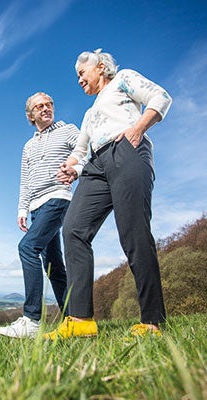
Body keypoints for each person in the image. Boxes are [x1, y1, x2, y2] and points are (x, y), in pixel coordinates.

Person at [43, 49, 172, 340]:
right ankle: (80, 321)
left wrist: (138, 128)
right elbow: (80, 150)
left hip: (127, 149)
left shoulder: (123, 79)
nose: (79, 80)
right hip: (97, 164)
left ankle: (152, 322)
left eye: (81, 73)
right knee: (73, 230)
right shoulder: (89, 113)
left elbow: (160, 96)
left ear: (100, 67)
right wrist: (72, 168)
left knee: (133, 233)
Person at [0, 92, 81, 338]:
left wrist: (75, 169)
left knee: (27, 248)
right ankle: (72, 320)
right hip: (35, 206)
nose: (45, 109)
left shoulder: (67, 131)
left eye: (49, 104)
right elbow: (25, 180)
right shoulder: (29, 146)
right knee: (53, 265)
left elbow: (86, 150)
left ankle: (32, 320)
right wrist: (22, 209)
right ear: (31, 115)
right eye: (39, 106)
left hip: (58, 197)